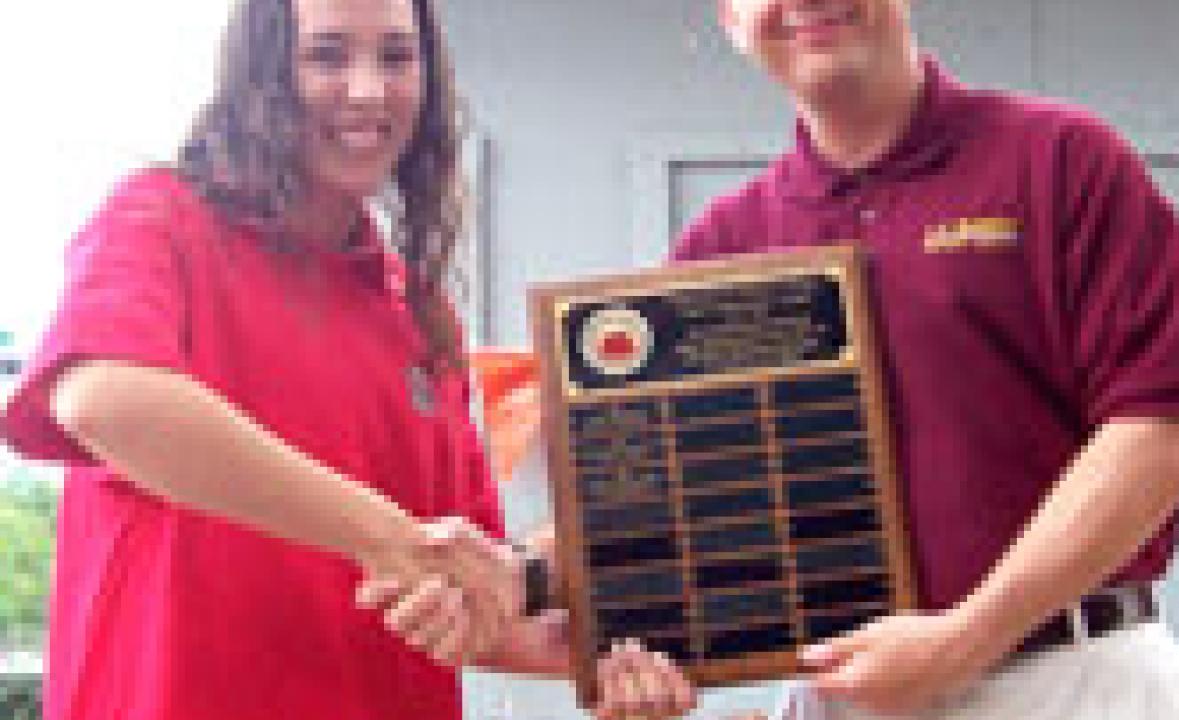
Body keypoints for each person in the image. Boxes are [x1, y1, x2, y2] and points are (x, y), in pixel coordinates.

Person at [0, 1, 695, 718]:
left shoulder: (422, 315)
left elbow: (464, 596)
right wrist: (388, 537)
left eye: (396, 57)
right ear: (263, 72)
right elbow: (103, 400)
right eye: (327, 55)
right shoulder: (160, 218)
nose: (368, 90)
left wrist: (632, 657)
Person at [664, 1, 1179, 718]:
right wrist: (530, 596)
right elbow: (674, 505)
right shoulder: (722, 247)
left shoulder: (1063, 160)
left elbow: (1166, 430)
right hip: (847, 696)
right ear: (729, 19)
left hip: (1077, 682)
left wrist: (966, 638)